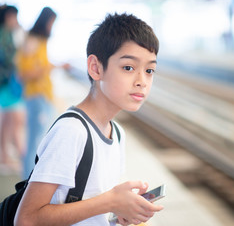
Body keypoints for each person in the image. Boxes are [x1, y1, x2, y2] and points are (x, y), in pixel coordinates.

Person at [14, 13, 163, 226]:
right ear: (95, 68)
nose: (142, 81)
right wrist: (109, 201)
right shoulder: (71, 131)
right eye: (128, 67)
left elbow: (92, 211)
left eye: (149, 70)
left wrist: (121, 212)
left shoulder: (117, 133)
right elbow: (26, 219)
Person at [16, 7, 69, 179]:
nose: (52, 26)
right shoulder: (32, 42)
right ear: (46, 21)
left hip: (43, 96)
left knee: (39, 140)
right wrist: (52, 66)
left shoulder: (39, 41)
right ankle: (27, 181)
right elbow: (24, 73)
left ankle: (30, 178)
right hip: (36, 96)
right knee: (35, 141)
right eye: (52, 22)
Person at [0, 5, 25, 170]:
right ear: (9, 16)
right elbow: (10, 59)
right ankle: (16, 158)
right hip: (7, 85)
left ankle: (4, 157)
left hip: (2, 84)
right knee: (14, 121)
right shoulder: (4, 35)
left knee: (6, 122)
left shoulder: (1, 33)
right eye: (15, 17)